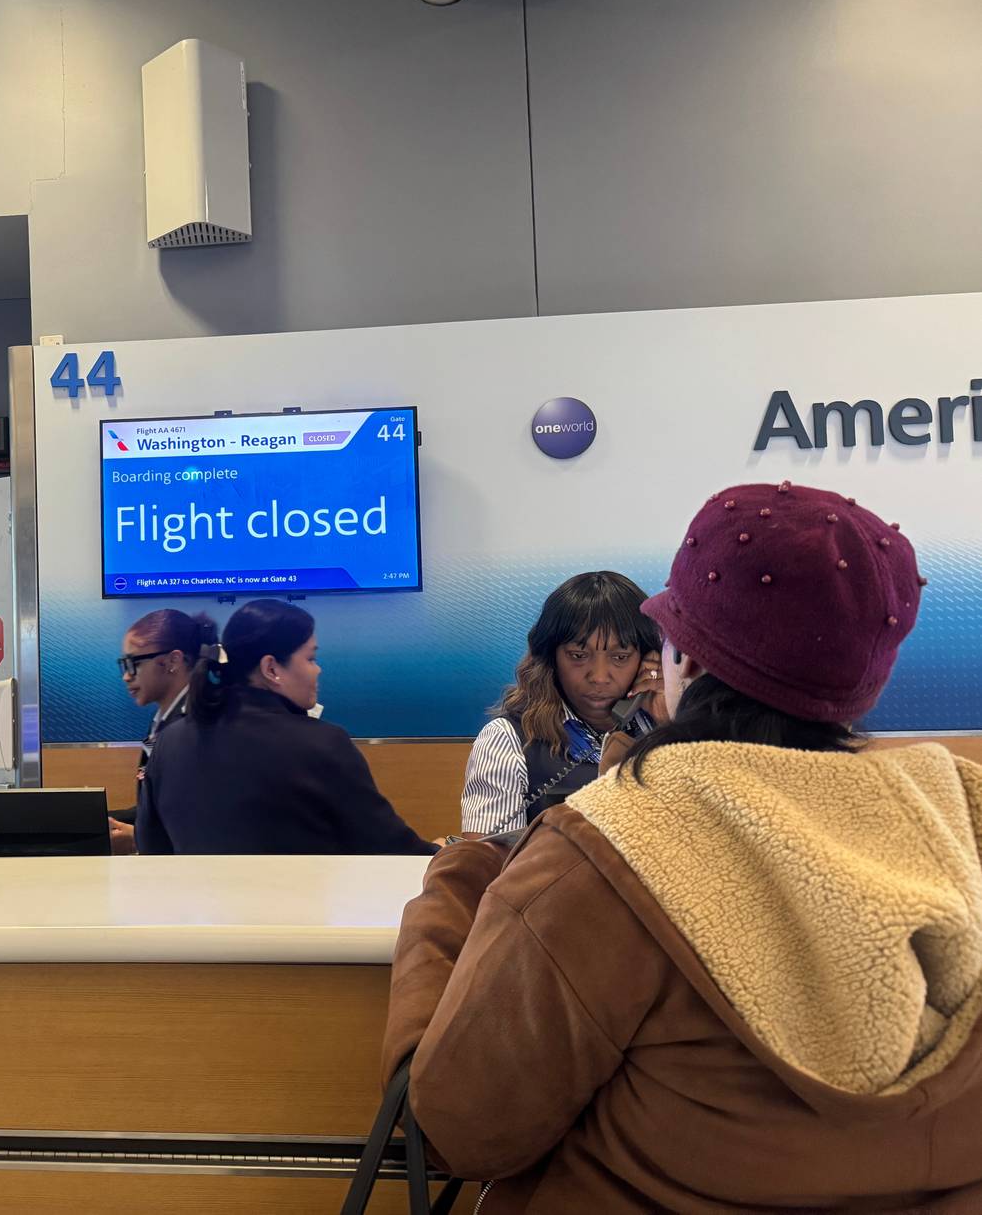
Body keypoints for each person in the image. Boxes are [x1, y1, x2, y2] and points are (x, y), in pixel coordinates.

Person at [382, 482, 982, 1212]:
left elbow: (460, 1130)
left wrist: (453, 886)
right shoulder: (958, 815)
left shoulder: (600, 852)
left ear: (683, 662)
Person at [139, 599, 433, 855]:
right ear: (271, 669)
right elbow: (389, 848)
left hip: (196, 918)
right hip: (302, 919)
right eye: (311, 658)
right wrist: (446, 853)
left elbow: (152, 847)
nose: (318, 670)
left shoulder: (168, 743)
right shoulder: (323, 744)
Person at [461, 571, 662, 834]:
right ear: (550, 657)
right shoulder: (507, 740)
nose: (599, 677)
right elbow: (486, 862)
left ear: (648, 660)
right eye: (578, 655)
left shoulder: (663, 727)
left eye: (620, 657)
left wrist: (671, 722)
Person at [106, 608, 215, 855]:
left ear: (173, 661)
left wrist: (137, 838)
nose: (126, 676)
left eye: (134, 663)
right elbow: (160, 806)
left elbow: (201, 821)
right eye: (124, 664)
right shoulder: (165, 721)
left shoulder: (196, 728)